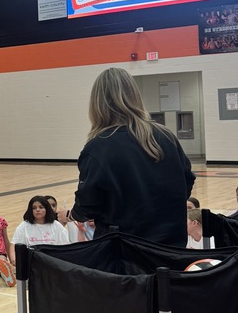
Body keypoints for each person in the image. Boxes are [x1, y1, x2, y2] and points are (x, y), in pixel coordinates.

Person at [72, 67, 194, 247]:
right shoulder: (166, 136)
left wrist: (73, 214)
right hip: (171, 249)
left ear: (97, 103)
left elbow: (88, 205)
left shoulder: (98, 147)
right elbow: (187, 184)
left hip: (123, 255)